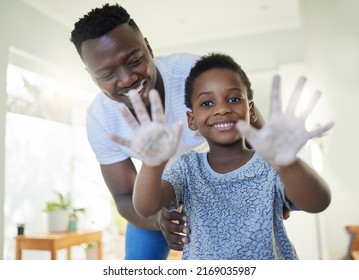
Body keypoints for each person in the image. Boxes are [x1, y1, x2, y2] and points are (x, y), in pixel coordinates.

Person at [69, 3, 285, 259]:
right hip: (154, 188)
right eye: (107, 73)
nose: (127, 79)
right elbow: (126, 196)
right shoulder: (100, 119)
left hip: (218, 178)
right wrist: (158, 220)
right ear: (91, 76)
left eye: (135, 60)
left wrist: (276, 186)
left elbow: (254, 130)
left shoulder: (195, 75)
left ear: (148, 47)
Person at [118, 53, 334, 259]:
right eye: (207, 103)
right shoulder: (187, 168)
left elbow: (318, 203)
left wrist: (288, 164)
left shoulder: (270, 164)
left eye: (233, 99)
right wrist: (152, 165)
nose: (221, 109)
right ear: (191, 120)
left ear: (251, 111)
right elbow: (146, 207)